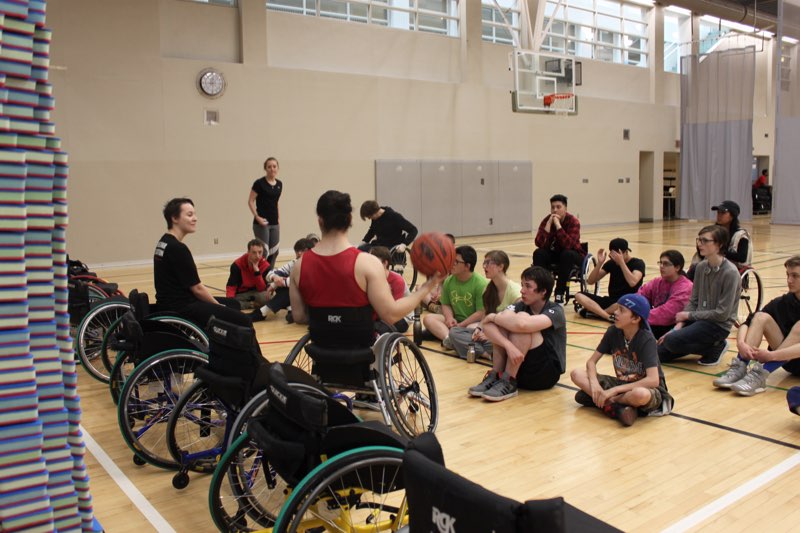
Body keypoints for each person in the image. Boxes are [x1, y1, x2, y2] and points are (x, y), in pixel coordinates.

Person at [289, 190, 440, 350]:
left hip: (321, 350)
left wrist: (329, 319)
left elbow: (299, 316)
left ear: (320, 221)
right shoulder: (368, 264)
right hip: (360, 351)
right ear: (350, 219)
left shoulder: (298, 266)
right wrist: (425, 289)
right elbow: (391, 315)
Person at [570, 293, 674, 426]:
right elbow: (591, 362)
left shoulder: (646, 339)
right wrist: (595, 385)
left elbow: (653, 380)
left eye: (621, 310)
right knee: (576, 374)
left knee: (640, 394)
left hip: (648, 389)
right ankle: (618, 407)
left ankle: (606, 402)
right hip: (622, 385)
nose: (615, 312)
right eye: (617, 308)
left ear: (635, 318)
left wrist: (612, 392)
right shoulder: (613, 331)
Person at [467, 266, 566, 402]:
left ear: (543, 291)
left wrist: (492, 316)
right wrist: (508, 346)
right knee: (502, 325)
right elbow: (487, 325)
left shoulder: (556, 311)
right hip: (520, 368)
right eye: (522, 285)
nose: (522, 291)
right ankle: (496, 376)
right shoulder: (520, 304)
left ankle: (508, 381)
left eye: (528, 286)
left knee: (521, 324)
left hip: (545, 374)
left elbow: (523, 325)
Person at [712, 255, 800, 396]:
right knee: (760, 317)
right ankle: (741, 365)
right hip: (787, 361)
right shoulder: (783, 302)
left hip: (782, 357)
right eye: (788, 275)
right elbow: (747, 323)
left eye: (795, 276)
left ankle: (761, 374)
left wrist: (771, 355)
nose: (789, 280)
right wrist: (741, 344)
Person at [657, 225, 741, 366]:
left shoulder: (730, 273)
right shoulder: (700, 267)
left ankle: (715, 347)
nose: (700, 244)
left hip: (717, 326)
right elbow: (694, 300)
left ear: (719, 245)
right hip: (699, 320)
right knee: (659, 353)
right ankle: (703, 345)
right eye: (699, 240)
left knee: (671, 341)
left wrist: (688, 316)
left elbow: (722, 314)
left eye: (705, 241)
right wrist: (677, 327)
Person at [154, 198, 243, 327]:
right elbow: (197, 289)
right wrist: (219, 307)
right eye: (189, 215)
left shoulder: (164, 241)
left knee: (234, 304)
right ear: (174, 218)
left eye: (194, 214)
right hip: (181, 307)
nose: (195, 218)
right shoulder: (177, 248)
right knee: (241, 319)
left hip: (170, 302)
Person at [449, 250, 521, 360]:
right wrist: (479, 328)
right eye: (484, 263)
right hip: (490, 333)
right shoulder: (488, 289)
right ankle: (486, 354)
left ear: (500, 266)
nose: (484, 266)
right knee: (454, 332)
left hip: (505, 336)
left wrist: (490, 335)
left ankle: (470, 348)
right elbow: (486, 315)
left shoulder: (515, 292)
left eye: (488, 263)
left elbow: (516, 325)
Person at [421, 245, 488, 349]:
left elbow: (480, 313)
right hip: (456, 321)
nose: (451, 264)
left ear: (467, 266)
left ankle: (454, 336)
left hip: (473, 322)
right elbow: (446, 304)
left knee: (471, 328)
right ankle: (449, 338)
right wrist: (449, 318)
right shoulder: (449, 280)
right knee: (428, 319)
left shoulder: (481, 284)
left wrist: (462, 325)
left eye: (456, 262)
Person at [574, 238, 645, 322]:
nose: (615, 258)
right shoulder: (612, 263)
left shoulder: (638, 263)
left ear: (625, 252)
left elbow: (632, 282)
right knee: (579, 295)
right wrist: (599, 263)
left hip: (628, 301)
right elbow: (590, 281)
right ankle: (607, 316)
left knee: (621, 303)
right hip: (611, 301)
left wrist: (622, 263)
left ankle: (597, 313)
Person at [532, 194, 585, 305]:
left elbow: (568, 245)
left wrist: (557, 225)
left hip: (573, 254)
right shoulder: (547, 220)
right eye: (552, 207)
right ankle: (542, 290)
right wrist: (548, 226)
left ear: (565, 208)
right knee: (539, 253)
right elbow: (539, 243)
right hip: (555, 253)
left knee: (567, 254)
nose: (555, 210)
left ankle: (560, 292)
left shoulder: (573, 222)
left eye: (558, 207)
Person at [251, 237, 315, 323]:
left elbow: (299, 282)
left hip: (311, 300)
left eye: (303, 250)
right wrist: (275, 279)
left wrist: (275, 284)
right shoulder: (295, 262)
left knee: (289, 287)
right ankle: (291, 309)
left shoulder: (314, 265)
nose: (299, 253)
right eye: (297, 250)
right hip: (298, 297)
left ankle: (263, 312)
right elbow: (271, 274)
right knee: (282, 278)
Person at [637, 250, 693, 340]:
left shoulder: (686, 287)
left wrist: (638, 316)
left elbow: (667, 313)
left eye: (666, 264)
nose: (661, 266)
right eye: (660, 263)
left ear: (677, 267)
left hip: (674, 326)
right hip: (656, 322)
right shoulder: (657, 281)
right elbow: (639, 296)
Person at [687, 200, 751, 279]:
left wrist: (719, 252)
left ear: (732, 216)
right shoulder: (711, 232)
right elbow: (701, 253)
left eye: (723, 213)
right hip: (711, 264)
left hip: (731, 269)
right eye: (718, 213)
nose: (719, 215)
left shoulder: (741, 235)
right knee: (694, 269)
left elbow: (742, 257)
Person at [248, 157, 283, 271]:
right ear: (265, 168)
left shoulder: (279, 184)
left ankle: (268, 274)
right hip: (261, 223)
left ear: (277, 168)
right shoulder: (259, 183)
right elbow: (250, 201)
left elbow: (276, 203)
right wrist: (257, 217)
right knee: (264, 252)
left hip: (274, 223)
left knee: (274, 251)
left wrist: (278, 219)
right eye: (269, 167)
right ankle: (257, 274)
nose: (272, 169)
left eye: (274, 166)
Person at [369, 246, 411, 334]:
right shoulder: (371, 278)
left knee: (379, 328)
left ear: (385, 263)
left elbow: (392, 312)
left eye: (374, 262)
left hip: (400, 317)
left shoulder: (397, 280)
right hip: (381, 314)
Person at [225, 239, 270, 311]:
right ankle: (250, 305)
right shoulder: (237, 265)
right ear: (248, 252)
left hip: (256, 292)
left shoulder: (266, 266)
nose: (258, 256)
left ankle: (245, 304)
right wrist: (230, 301)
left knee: (268, 297)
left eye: (260, 252)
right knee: (231, 302)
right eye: (254, 253)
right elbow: (231, 286)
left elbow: (261, 289)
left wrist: (257, 271)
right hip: (241, 294)